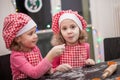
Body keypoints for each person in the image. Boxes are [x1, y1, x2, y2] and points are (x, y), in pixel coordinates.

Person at [2, 13, 65, 80]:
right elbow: (34, 73)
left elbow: (42, 69)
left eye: (35, 32)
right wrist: (51, 55)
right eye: (30, 34)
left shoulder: (35, 49)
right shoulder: (16, 56)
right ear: (17, 39)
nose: (35, 36)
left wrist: (56, 69)